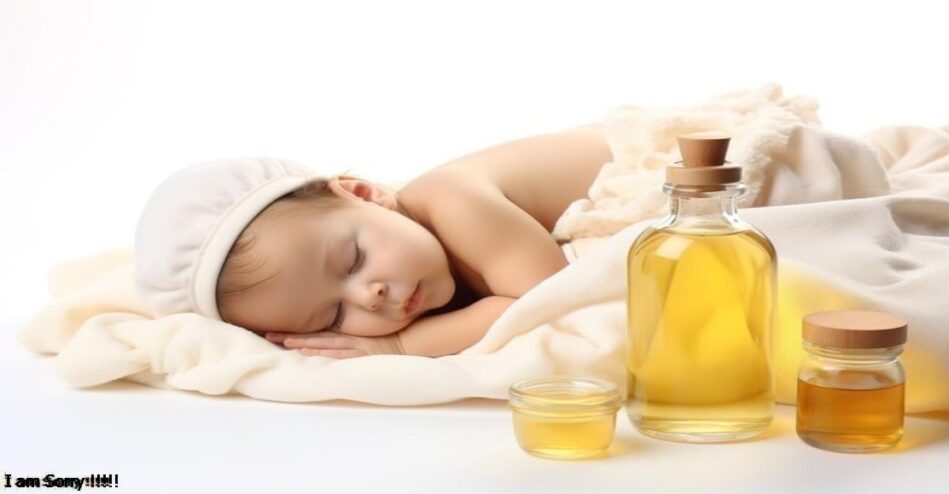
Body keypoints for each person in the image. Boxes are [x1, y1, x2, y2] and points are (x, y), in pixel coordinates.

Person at [134, 122, 612, 359]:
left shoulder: (453, 200)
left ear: (365, 193)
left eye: (352, 260)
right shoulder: (407, 255)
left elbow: (547, 301)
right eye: (334, 316)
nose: (370, 294)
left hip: (673, 163)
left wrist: (401, 346)